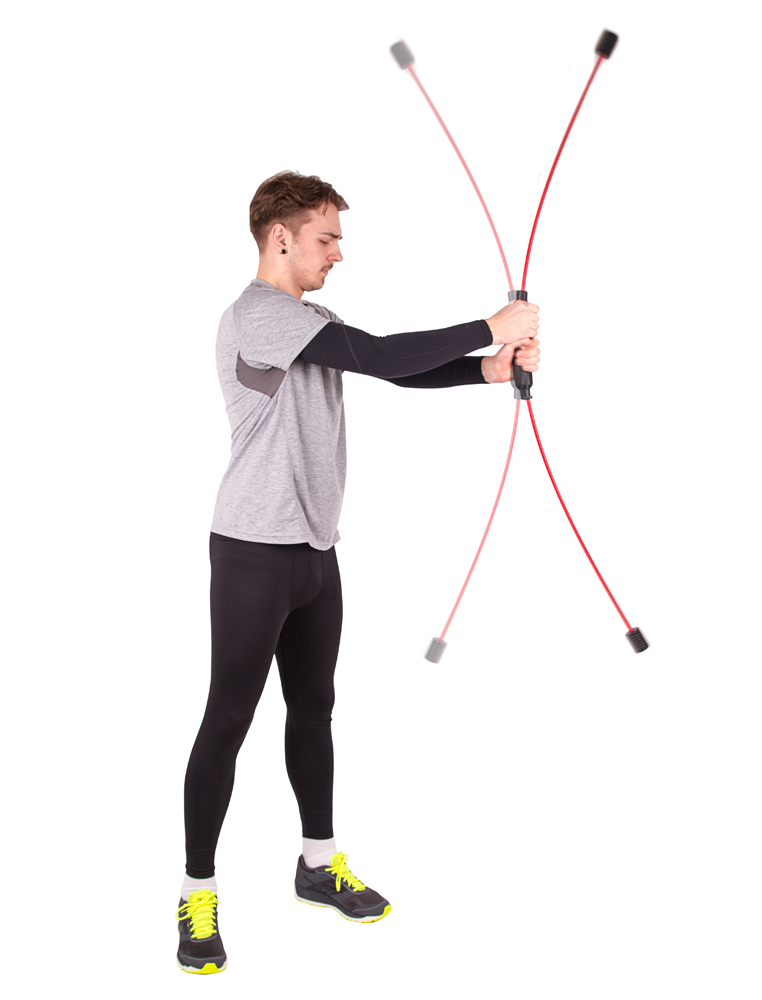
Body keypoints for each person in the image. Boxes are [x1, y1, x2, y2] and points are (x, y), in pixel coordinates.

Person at [175, 171, 540, 974]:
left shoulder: (315, 323)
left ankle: (317, 865)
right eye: (327, 238)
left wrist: (488, 366)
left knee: (314, 711)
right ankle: (197, 892)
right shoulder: (258, 315)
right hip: (251, 551)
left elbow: (392, 368)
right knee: (228, 719)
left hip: (314, 549)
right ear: (280, 238)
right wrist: (489, 325)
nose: (339, 253)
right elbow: (375, 353)